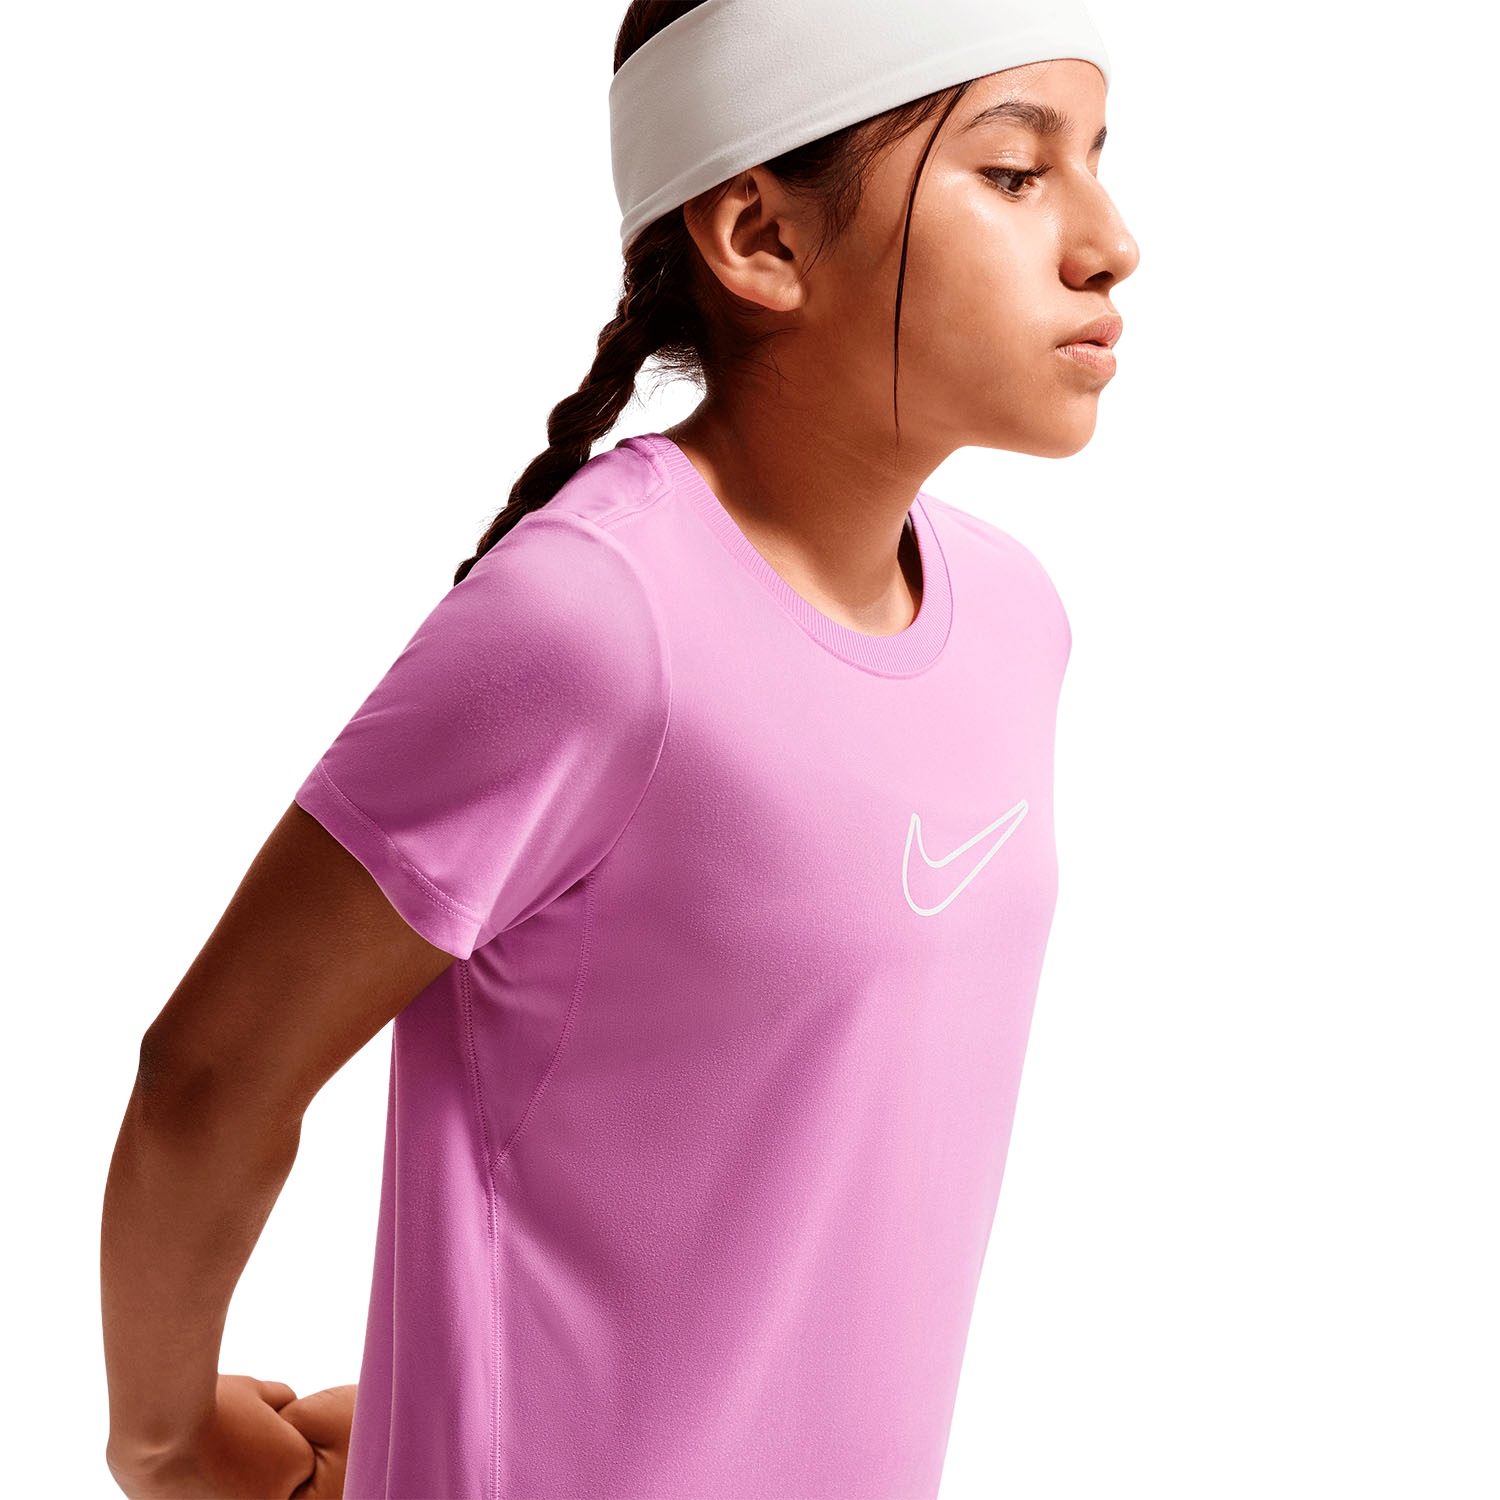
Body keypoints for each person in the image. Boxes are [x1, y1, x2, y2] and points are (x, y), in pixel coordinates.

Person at [100, 0, 1139, 1494]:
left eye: (1097, 162)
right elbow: (211, 1073)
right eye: (1015, 173)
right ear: (761, 237)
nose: (1110, 244)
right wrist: (168, 1441)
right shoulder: (598, 619)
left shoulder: (1016, 616)